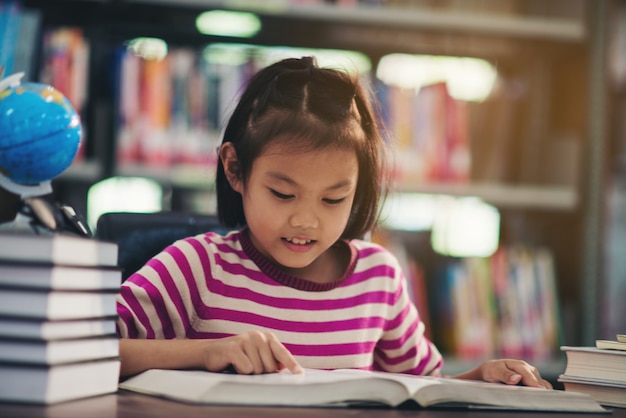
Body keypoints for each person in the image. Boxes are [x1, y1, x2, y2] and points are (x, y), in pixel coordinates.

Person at [116, 56, 552, 389]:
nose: (306, 220)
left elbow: (423, 391)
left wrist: (485, 377)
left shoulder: (377, 278)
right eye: (282, 194)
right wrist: (205, 352)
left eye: (333, 198)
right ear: (235, 170)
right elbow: (78, 352)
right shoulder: (198, 267)